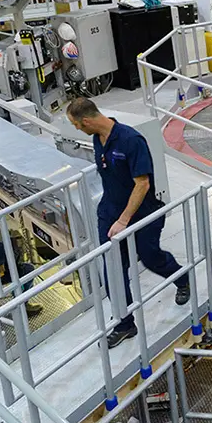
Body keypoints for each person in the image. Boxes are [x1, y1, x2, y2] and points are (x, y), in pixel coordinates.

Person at [66, 98, 190, 347]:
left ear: (87, 121)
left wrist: (124, 220)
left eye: (77, 125)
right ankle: (124, 324)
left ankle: (182, 279)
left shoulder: (131, 140)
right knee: (112, 268)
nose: (77, 130)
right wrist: (114, 217)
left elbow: (142, 183)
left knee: (150, 255)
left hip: (141, 213)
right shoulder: (97, 138)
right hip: (110, 212)